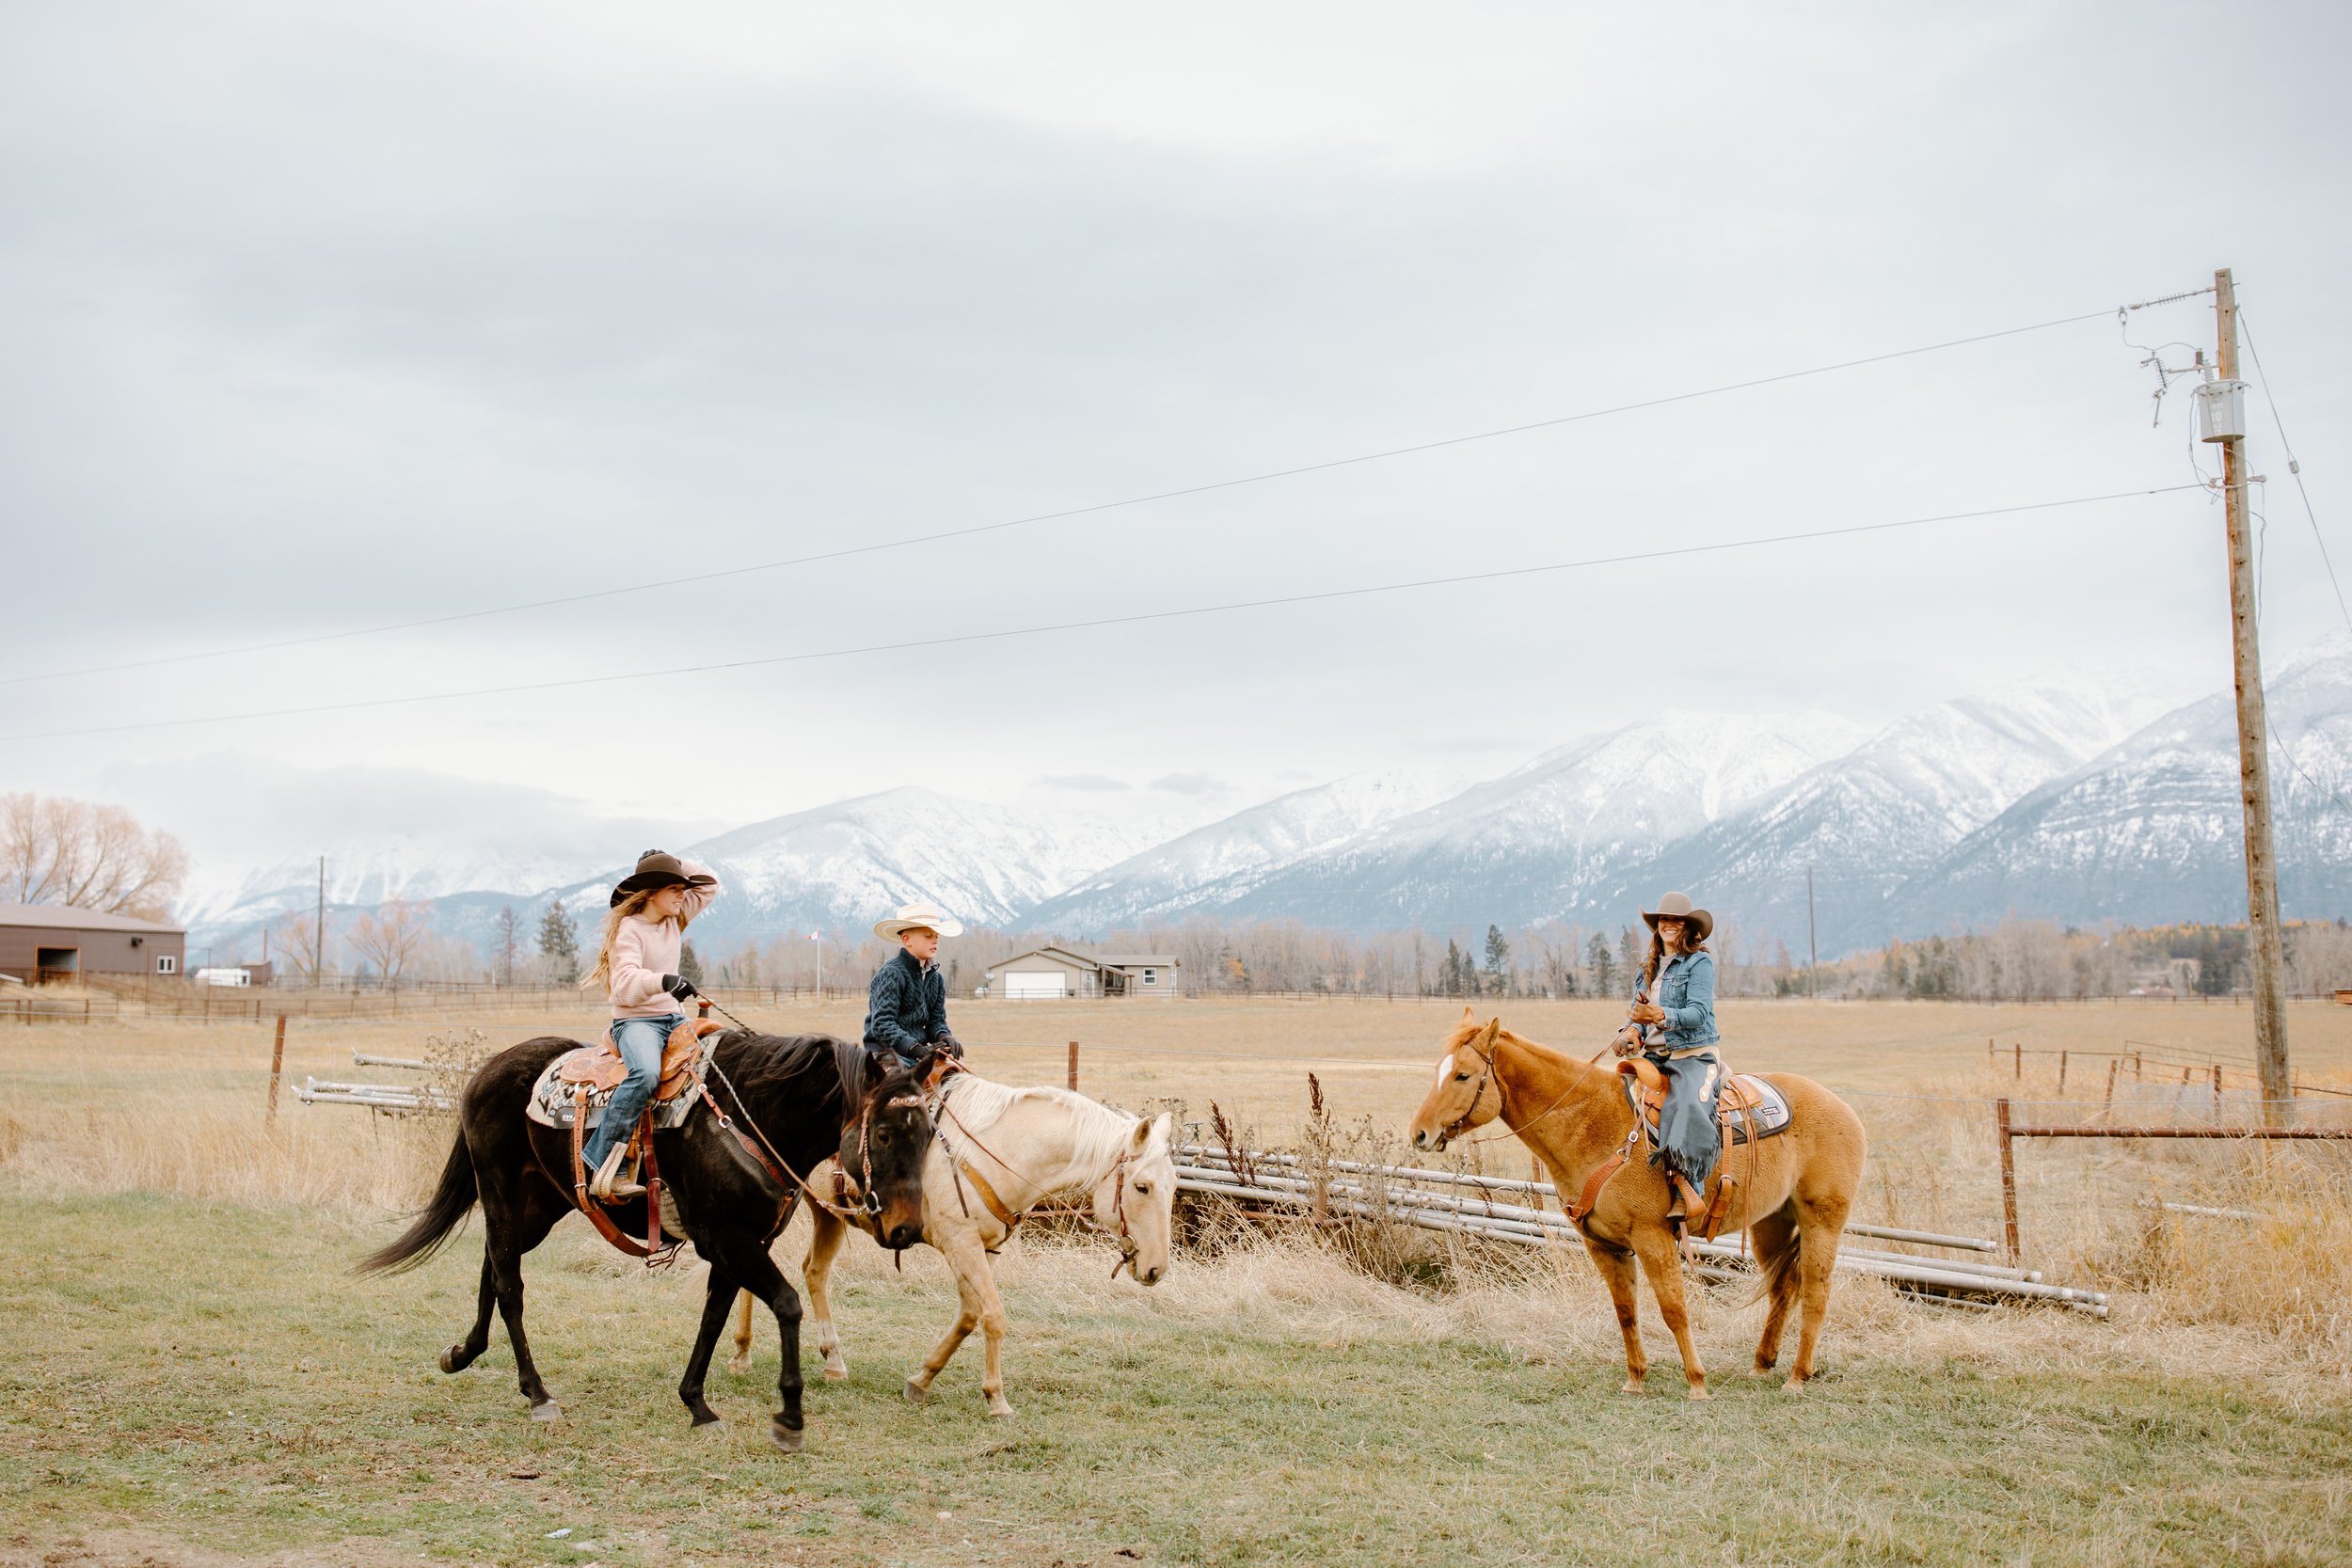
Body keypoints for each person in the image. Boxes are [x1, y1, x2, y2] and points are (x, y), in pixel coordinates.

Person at [579, 849, 721, 1199]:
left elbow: (709, 885)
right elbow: (625, 985)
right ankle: (600, 1163)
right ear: (652, 892)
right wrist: (664, 981)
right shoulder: (630, 929)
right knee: (644, 1074)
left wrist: (670, 860)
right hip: (636, 1022)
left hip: (672, 1019)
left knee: (720, 1064)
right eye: (674, 887)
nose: (682, 894)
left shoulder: (675, 917)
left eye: (682, 888)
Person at [1616, 890, 1723, 1232]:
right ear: (1657, 926)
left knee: (1688, 1105)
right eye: (1664, 920)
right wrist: (1629, 1032)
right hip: (1654, 1055)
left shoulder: (1699, 963)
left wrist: (1660, 1015)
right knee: (1612, 1094)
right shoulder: (1647, 968)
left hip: (1692, 1053)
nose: (1669, 925)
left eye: (1676, 920)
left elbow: (1699, 1013)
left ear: (1688, 927)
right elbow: (1637, 1013)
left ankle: (1691, 1189)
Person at [863, 901, 962, 1072]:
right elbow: (883, 1024)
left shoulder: (936, 980)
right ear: (907, 939)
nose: (935, 941)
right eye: (927, 936)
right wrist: (914, 1047)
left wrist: (944, 1036)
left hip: (919, 1053)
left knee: (955, 1080)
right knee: (902, 1093)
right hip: (887, 1053)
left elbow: (936, 1020)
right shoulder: (892, 973)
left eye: (936, 936)